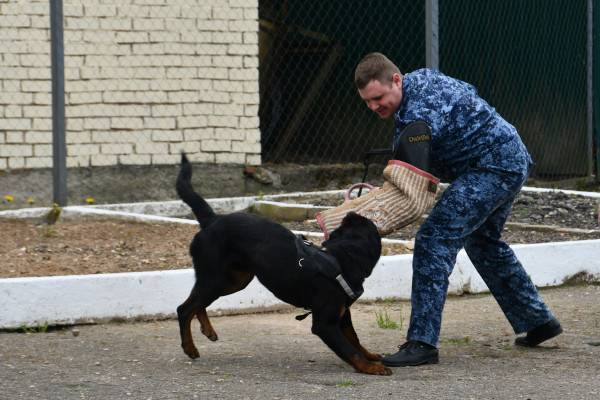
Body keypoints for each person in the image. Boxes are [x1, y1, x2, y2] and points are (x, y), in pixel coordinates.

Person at [354, 52, 562, 367]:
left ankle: (422, 343)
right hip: (508, 156)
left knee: (434, 238)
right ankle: (538, 321)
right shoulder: (421, 80)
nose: (373, 107)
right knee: (483, 243)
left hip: (491, 166)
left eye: (378, 97)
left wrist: (369, 210)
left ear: (395, 80)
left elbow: (413, 182)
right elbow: (469, 90)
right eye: (367, 102)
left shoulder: (418, 113)